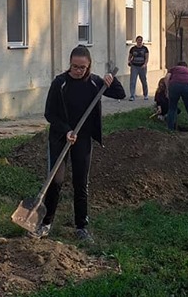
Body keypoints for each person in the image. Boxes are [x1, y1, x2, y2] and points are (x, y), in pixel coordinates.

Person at [35, 46, 125, 243]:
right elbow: (49, 113)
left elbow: (120, 94)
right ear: (70, 64)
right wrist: (66, 130)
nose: (78, 71)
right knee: (55, 181)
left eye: (82, 67)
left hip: (82, 140)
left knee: (81, 183)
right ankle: (46, 223)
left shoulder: (94, 83)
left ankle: (81, 226)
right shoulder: (59, 83)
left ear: (89, 65)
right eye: (74, 66)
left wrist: (112, 80)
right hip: (60, 138)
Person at [165, 61, 188, 133]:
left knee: (172, 108)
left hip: (175, 85)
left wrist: (167, 90)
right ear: (186, 66)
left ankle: (170, 128)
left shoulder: (173, 68)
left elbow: (166, 78)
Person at [127, 36, 149, 101]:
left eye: (140, 40)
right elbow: (130, 56)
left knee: (143, 81)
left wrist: (145, 64)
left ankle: (145, 94)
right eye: (138, 40)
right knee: (133, 81)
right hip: (134, 66)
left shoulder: (145, 49)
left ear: (142, 41)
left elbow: (147, 58)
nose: (139, 41)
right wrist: (129, 61)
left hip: (142, 66)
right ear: (136, 41)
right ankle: (132, 95)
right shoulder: (133, 49)